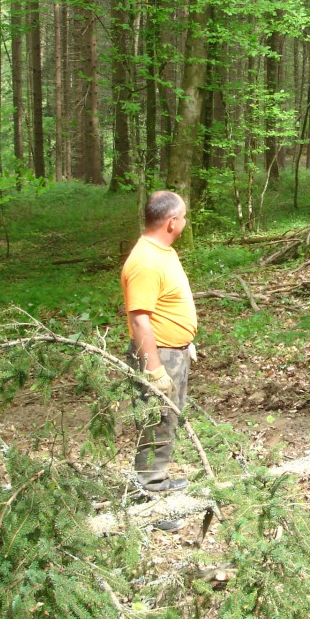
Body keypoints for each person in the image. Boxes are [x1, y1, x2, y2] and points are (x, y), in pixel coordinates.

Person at [121, 190, 197, 492]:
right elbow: (139, 320)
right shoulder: (145, 261)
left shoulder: (163, 252)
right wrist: (154, 369)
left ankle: (158, 479)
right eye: (184, 217)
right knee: (156, 422)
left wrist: (184, 339)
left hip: (172, 352)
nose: (186, 222)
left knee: (168, 421)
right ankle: (150, 491)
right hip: (158, 356)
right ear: (171, 222)